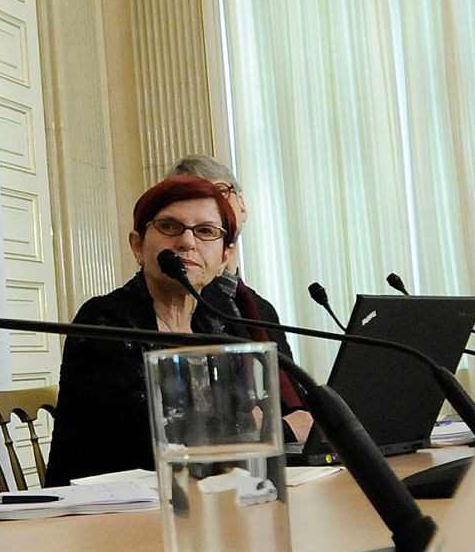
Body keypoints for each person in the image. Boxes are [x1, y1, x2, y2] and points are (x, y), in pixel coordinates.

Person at [44, 175, 250, 485]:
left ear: (224, 257)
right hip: (104, 514)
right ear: (138, 246)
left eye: (206, 231)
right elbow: (143, 442)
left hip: (198, 501)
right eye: (169, 227)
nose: (187, 242)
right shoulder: (103, 319)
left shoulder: (219, 325)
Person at [169, 154, 311, 441]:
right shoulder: (184, 305)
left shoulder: (262, 308)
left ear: (242, 206)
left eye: (219, 192)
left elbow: (293, 394)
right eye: (195, 197)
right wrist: (281, 430)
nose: (211, 205)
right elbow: (219, 420)